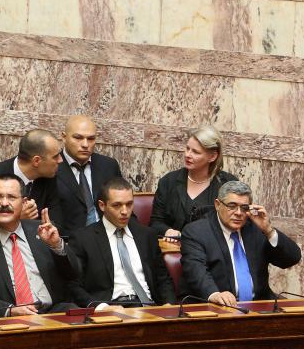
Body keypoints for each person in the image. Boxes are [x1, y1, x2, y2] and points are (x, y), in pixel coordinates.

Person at [0, 174, 77, 315]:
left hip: (54, 312)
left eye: (11, 197)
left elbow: (74, 274)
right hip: (10, 320)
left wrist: (56, 245)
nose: (4, 203)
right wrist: (9, 311)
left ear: (24, 203)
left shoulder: (43, 230)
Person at [181, 180, 301, 306]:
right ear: (217, 204)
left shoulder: (256, 229)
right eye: (232, 206)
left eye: (244, 208)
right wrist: (214, 294)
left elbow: (291, 258)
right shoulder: (197, 232)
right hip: (217, 308)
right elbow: (196, 270)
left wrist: (268, 230)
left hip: (259, 307)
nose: (238, 213)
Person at [66, 178, 175, 306]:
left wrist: (169, 305)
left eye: (129, 204)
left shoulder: (147, 235)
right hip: (110, 309)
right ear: (102, 205)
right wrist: (99, 308)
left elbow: (163, 279)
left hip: (148, 307)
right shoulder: (83, 239)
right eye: (117, 205)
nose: (125, 211)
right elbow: (73, 286)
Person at [150, 125, 237, 242]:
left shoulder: (228, 185)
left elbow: (235, 223)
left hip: (212, 254)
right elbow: (155, 223)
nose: (188, 155)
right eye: (187, 149)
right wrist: (167, 231)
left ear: (212, 156)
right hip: (175, 250)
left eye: (195, 152)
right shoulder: (168, 181)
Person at [0, 129, 65, 233]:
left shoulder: (49, 177)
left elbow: (56, 225)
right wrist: (16, 219)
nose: (60, 160)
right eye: (55, 157)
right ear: (36, 161)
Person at [55, 115, 123, 233]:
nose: (85, 144)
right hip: (68, 241)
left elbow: (123, 204)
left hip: (107, 238)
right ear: (64, 137)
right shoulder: (52, 167)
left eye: (91, 139)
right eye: (78, 138)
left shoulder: (108, 165)